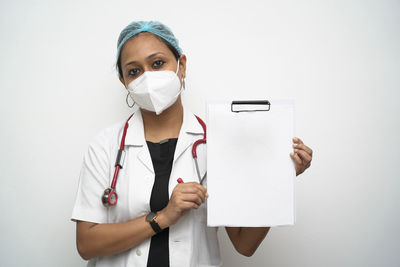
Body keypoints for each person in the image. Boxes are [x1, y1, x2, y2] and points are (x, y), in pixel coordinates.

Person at [71, 21, 313, 267]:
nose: (147, 77)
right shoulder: (105, 146)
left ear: (182, 66)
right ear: (124, 82)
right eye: (134, 71)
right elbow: (87, 244)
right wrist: (163, 217)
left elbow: (244, 244)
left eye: (157, 64)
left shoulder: (217, 144)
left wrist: (279, 176)